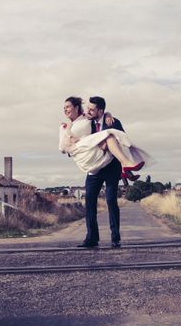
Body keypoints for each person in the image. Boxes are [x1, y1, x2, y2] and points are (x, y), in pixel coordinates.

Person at [58, 96, 150, 248]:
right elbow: (82, 138)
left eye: (92, 109)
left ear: (100, 110)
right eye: (88, 109)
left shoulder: (112, 121)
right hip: (95, 169)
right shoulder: (89, 122)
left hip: (111, 166)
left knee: (111, 200)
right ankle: (91, 238)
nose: (89, 111)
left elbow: (122, 139)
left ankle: (115, 237)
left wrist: (108, 116)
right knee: (90, 202)